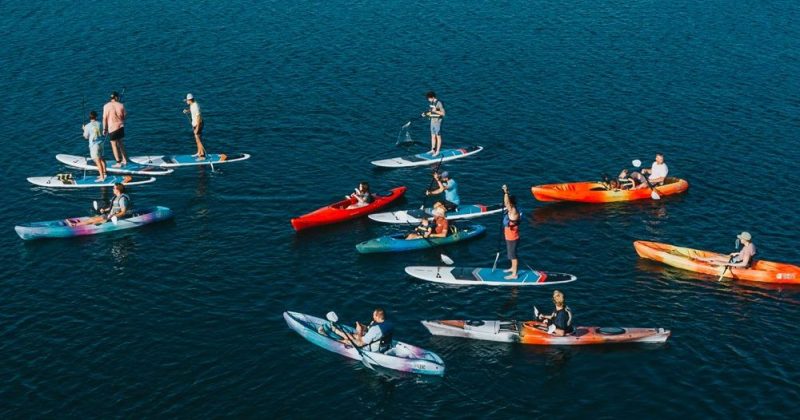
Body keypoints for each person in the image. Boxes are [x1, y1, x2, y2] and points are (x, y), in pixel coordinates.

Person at [329, 308, 394, 352]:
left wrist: (359, 331)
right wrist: (363, 327)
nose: (373, 316)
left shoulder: (375, 329)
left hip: (373, 348)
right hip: (384, 345)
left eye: (374, 315)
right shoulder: (389, 324)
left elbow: (361, 343)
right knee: (355, 336)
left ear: (377, 316)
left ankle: (330, 340)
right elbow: (370, 330)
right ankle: (336, 331)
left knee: (348, 341)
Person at [66, 183, 131, 226]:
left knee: (92, 220)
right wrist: (105, 210)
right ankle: (80, 223)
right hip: (109, 215)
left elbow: (123, 212)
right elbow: (112, 207)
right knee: (93, 218)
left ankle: (74, 225)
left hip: (115, 217)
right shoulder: (115, 197)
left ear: (118, 190)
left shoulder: (122, 199)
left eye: (114, 188)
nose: (112, 189)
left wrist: (113, 216)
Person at [102, 91, 128, 167]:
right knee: (120, 143)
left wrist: (104, 129)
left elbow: (104, 118)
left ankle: (118, 162)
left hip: (112, 128)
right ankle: (125, 160)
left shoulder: (106, 106)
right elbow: (124, 116)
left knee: (114, 145)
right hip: (120, 127)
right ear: (116, 97)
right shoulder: (121, 105)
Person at [82, 110, 107, 181]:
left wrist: (84, 130)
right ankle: (104, 174)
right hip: (101, 143)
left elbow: (86, 137)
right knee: (102, 158)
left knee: (97, 161)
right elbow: (102, 132)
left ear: (89, 117)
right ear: (96, 116)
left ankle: (102, 177)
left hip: (94, 146)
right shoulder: (100, 123)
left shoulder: (87, 126)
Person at [502, 184, 520, 280]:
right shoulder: (511, 209)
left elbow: (507, 203)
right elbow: (506, 202)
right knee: (511, 254)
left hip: (512, 237)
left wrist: (505, 192)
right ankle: (512, 268)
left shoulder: (513, 210)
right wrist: (506, 193)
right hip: (509, 235)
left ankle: (515, 274)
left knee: (513, 256)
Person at [421, 91, 445, 156]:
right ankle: (433, 150)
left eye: (429, 98)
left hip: (437, 123)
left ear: (433, 97)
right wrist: (425, 114)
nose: (428, 100)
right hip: (432, 122)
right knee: (433, 136)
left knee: (438, 137)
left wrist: (436, 111)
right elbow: (431, 112)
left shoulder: (439, 103)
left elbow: (443, 114)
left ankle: (437, 151)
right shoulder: (432, 102)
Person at [182, 93, 206, 159]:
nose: (186, 101)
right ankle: (199, 152)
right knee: (197, 139)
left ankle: (202, 155)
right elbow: (192, 110)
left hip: (199, 124)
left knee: (198, 139)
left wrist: (197, 128)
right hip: (195, 124)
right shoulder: (192, 105)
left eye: (187, 100)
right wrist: (187, 111)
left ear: (190, 100)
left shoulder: (196, 106)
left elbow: (198, 117)